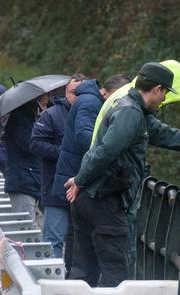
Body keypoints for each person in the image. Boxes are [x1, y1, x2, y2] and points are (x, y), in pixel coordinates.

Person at [65, 62, 180, 287]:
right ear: (157, 89)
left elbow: (167, 135)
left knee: (84, 271)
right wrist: (80, 180)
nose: (165, 98)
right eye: (165, 92)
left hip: (93, 198)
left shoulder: (137, 113)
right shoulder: (130, 114)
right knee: (116, 276)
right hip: (104, 202)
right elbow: (105, 152)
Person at [54, 74, 131, 272]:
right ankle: (74, 279)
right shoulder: (90, 103)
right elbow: (84, 138)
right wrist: (106, 154)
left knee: (78, 240)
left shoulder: (90, 100)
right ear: (111, 92)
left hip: (78, 175)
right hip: (78, 177)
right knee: (78, 241)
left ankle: (74, 279)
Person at [29, 74, 85, 257]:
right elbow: (36, 144)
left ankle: (75, 281)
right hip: (56, 189)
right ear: (65, 92)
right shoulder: (50, 115)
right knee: (54, 240)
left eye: (81, 93)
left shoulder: (94, 115)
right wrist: (64, 154)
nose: (75, 97)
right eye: (72, 92)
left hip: (84, 190)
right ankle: (53, 284)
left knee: (81, 242)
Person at [4, 94, 48, 218]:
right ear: (35, 103)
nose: (45, 109)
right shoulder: (19, 119)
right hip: (22, 181)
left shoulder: (29, 119)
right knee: (25, 227)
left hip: (30, 179)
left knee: (29, 225)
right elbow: (30, 145)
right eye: (44, 105)